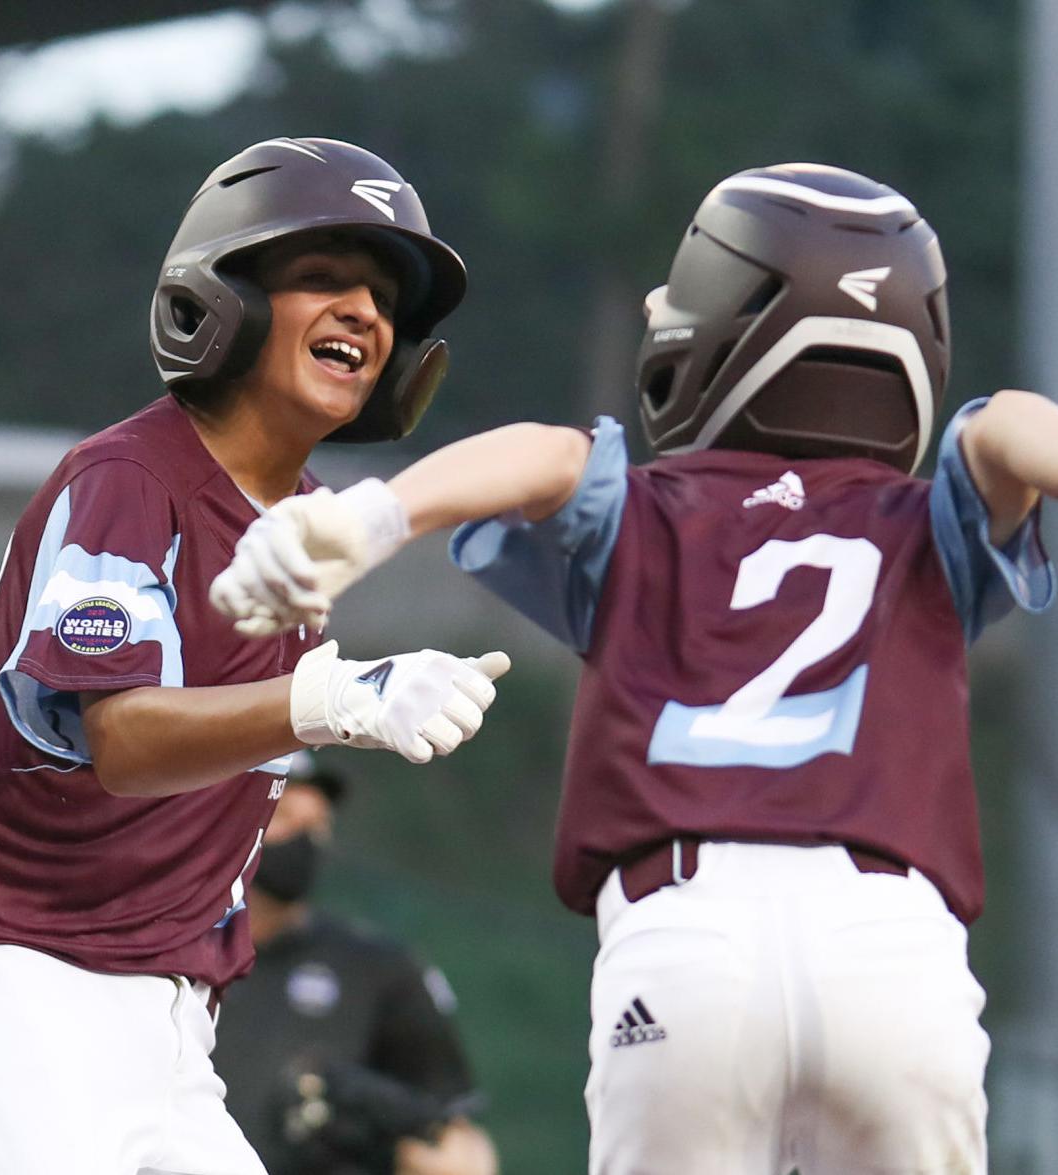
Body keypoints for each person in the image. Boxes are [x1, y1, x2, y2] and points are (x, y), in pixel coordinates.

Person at [210, 162, 1058, 1174]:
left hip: (687, 937)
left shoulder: (651, 505)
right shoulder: (919, 519)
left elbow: (545, 455)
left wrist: (372, 515)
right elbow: (1009, 427)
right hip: (894, 948)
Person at [0, 136, 509, 1175]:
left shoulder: (306, 523)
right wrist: (328, 697)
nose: (362, 310)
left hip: (171, 1028)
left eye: (381, 295)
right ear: (221, 303)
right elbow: (120, 736)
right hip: (27, 1000)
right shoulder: (132, 476)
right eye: (320, 277)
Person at [213, 750, 498, 1175]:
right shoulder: (160, 952)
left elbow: (468, 1160)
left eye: (319, 823)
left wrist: (384, 1139)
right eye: (287, 815)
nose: (305, 836)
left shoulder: (378, 969)